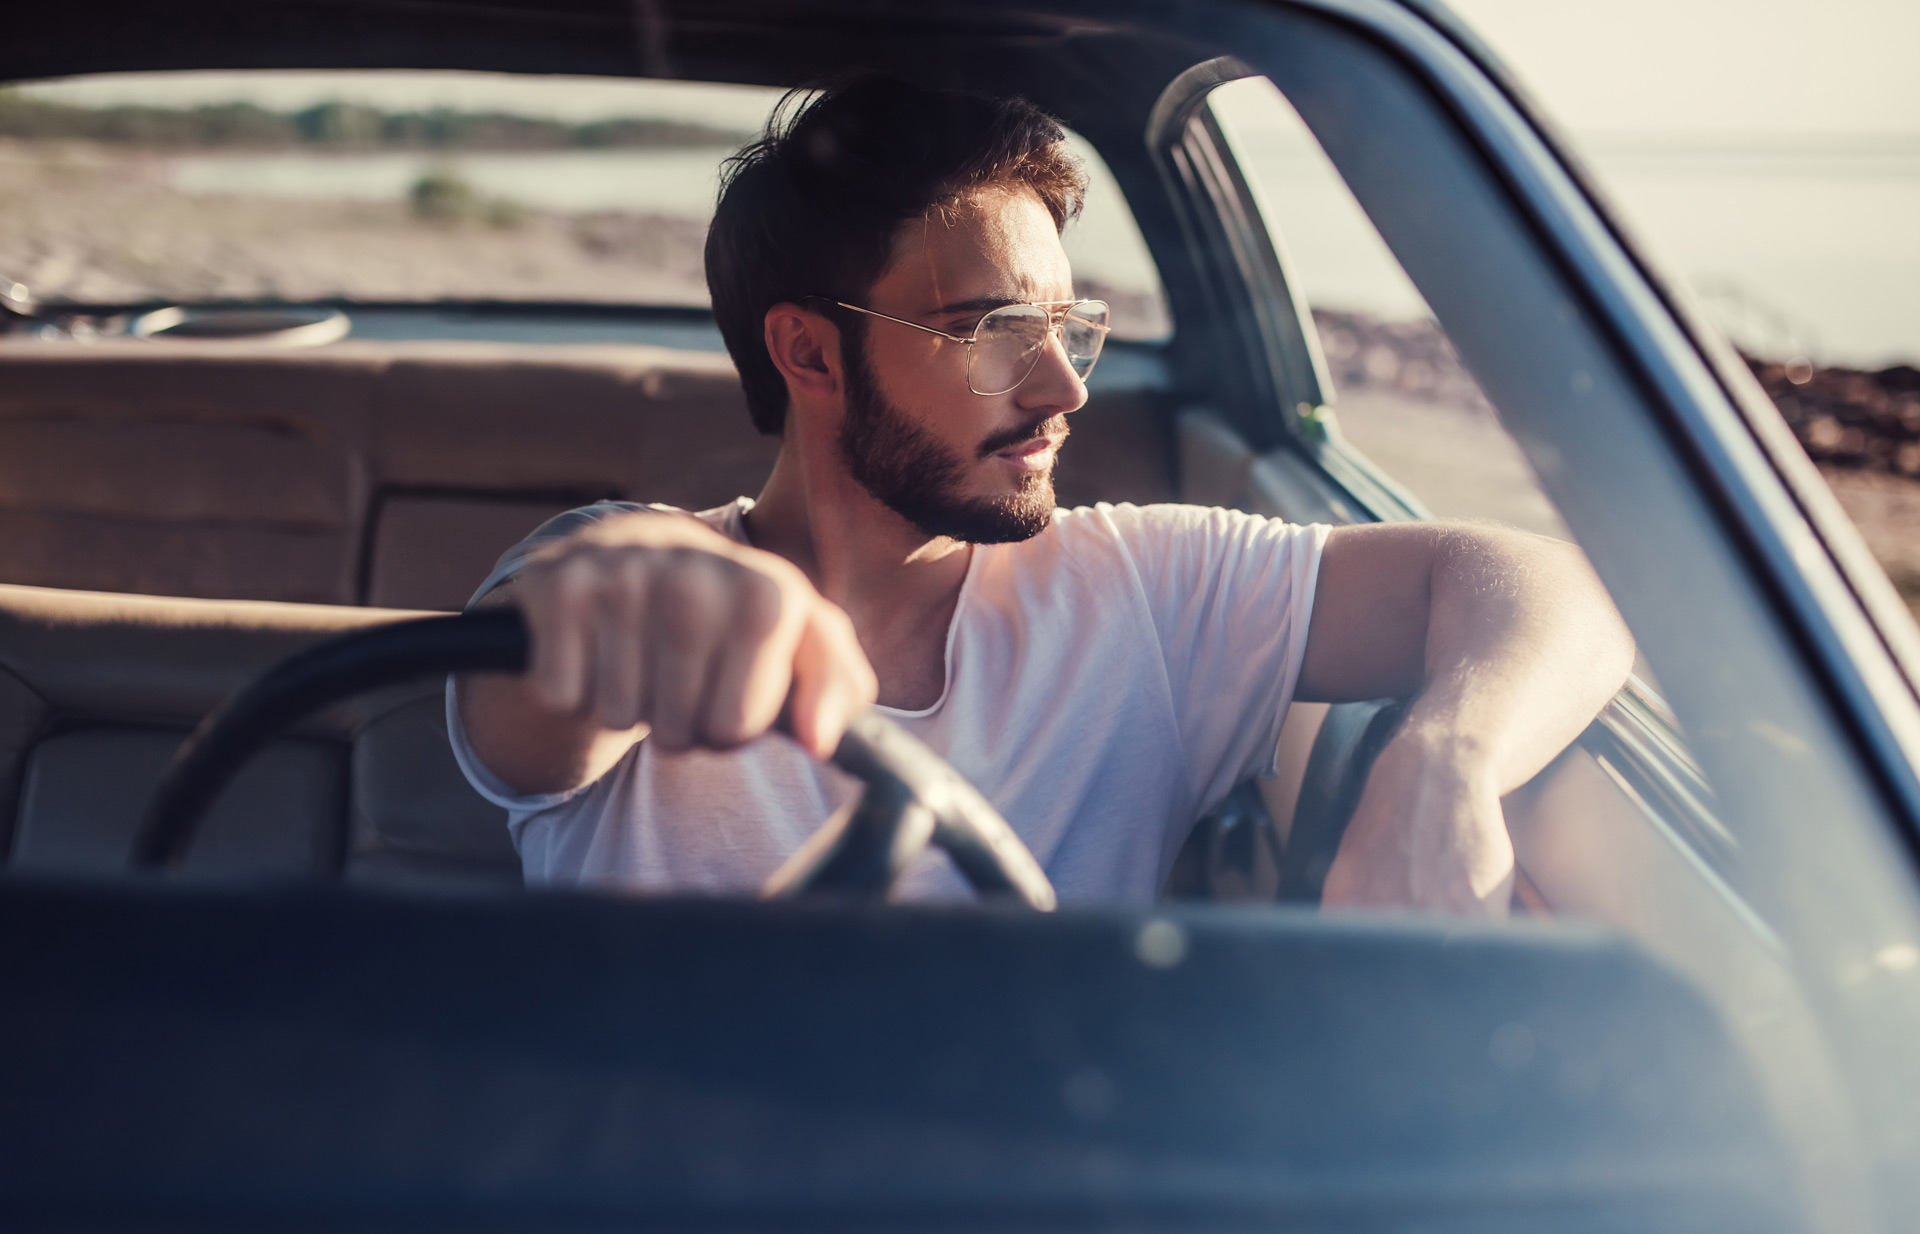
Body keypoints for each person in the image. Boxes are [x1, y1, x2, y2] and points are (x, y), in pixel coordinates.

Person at [450, 76, 1633, 915]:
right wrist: (640, 594)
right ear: (810, 355)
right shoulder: (632, 579)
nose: (1063, 384)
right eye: (994, 332)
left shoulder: (1145, 593)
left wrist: (1444, 762)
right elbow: (554, 641)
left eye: (1068, 327)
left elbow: (1552, 584)